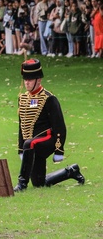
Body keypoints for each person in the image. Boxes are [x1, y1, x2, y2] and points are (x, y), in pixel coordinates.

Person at [14, 59, 84, 191]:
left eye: (30, 79)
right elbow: (22, 126)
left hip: (48, 140)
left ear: (39, 80)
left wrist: (59, 150)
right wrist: (21, 149)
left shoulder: (49, 98)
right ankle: (70, 171)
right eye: (25, 79)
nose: (27, 82)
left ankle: (22, 183)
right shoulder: (22, 99)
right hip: (31, 144)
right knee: (39, 183)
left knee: (30, 143)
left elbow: (59, 126)